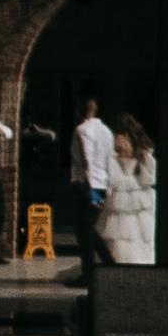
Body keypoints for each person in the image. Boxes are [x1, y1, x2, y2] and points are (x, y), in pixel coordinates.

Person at [96, 117, 158, 264]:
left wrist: (142, 159)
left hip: (138, 204)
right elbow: (112, 178)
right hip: (120, 203)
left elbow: (150, 178)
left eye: (124, 136)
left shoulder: (143, 154)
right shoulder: (113, 154)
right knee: (119, 240)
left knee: (137, 239)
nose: (121, 140)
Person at [68, 93, 115, 272]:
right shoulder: (107, 132)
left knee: (83, 227)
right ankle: (105, 263)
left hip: (86, 184)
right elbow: (110, 159)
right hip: (101, 185)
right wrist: (107, 187)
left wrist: (88, 187)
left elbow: (87, 159)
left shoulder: (82, 130)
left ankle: (98, 267)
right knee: (86, 226)